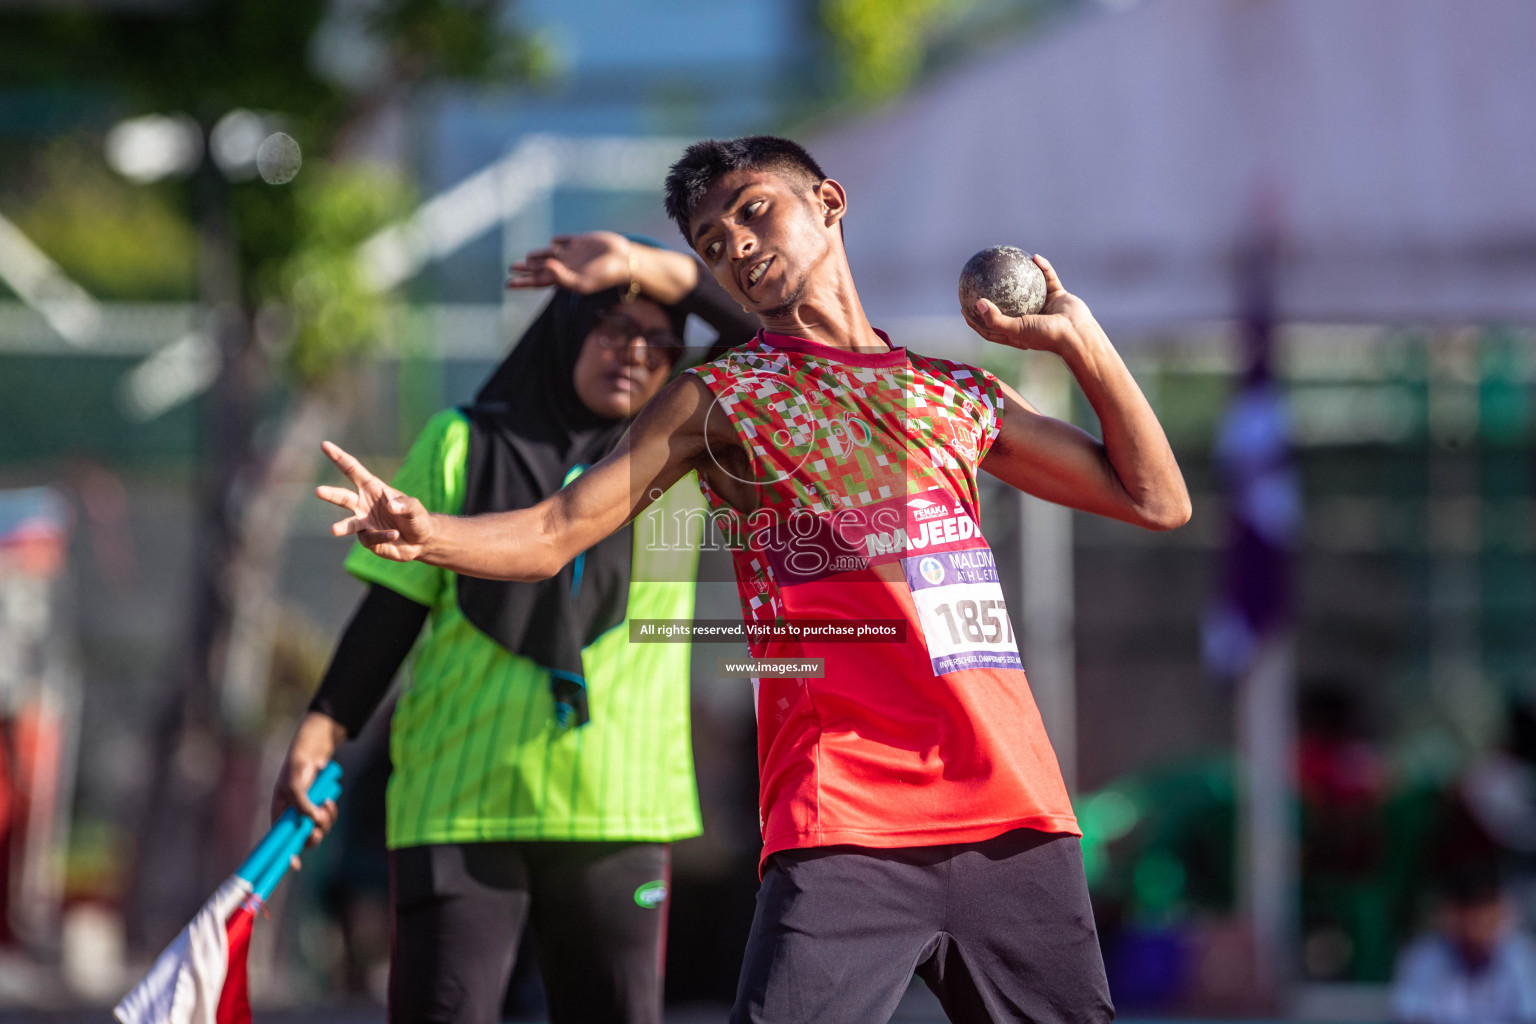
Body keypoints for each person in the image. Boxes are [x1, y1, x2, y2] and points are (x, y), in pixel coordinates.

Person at [316, 136, 1191, 1024]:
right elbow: (555, 532)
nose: (733, 244)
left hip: (1016, 821)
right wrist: (430, 533)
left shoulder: (952, 392)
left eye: (752, 211)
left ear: (830, 203)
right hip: (845, 826)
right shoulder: (721, 399)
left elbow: (1156, 500)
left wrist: (1080, 340)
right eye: (708, 241)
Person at [272, 231, 756, 1024]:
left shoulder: (682, 454)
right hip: (460, 799)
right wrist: (320, 734)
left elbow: (780, 353)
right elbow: (390, 614)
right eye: (615, 329)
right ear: (568, 327)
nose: (636, 353)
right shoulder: (461, 442)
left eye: (661, 343)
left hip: (618, 806)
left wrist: (650, 266)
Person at [1393, 865, 1536, 1024]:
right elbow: (1411, 1017)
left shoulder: (1521, 955)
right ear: (1454, 912)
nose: (1482, 920)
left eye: (1489, 910)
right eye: (1474, 910)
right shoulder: (1423, 955)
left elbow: (1528, 1016)